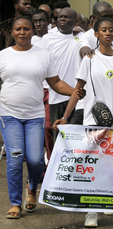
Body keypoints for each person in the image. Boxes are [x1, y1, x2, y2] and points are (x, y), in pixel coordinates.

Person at [54, 17, 113, 227]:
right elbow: (78, 91)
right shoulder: (89, 59)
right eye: (103, 30)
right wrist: (65, 117)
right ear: (96, 34)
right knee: (94, 166)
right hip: (92, 121)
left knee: (110, 167)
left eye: (110, 30)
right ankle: (91, 212)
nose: (108, 33)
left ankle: (106, 201)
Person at [0, 16, 82, 219]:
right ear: (12, 32)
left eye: (26, 29)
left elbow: (55, 82)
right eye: (17, 29)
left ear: (32, 32)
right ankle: (15, 203)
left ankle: (32, 189)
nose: (21, 32)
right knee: (15, 158)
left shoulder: (43, 55)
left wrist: (75, 91)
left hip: (35, 115)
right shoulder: (3, 55)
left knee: (36, 160)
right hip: (9, 114)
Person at [40, 7, 82, 140]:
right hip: (56, 94)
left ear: (75, 21)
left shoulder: (82, 37)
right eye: (60, 17)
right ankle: (53, 159)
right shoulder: (48, 38)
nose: (62, 19)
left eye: (66, 17)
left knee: (76, 135)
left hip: (79, 95)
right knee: (56, 133)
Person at [31, 9, 54, 169]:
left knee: (48, 128)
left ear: (48, 21)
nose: (39, 24)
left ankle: (51, 164)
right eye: (36, 21)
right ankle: (39, 167)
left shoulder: (53, 37)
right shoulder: (29, 40)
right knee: (36, 131)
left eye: (42, 21)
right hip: (34, 89)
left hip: (51, 89)